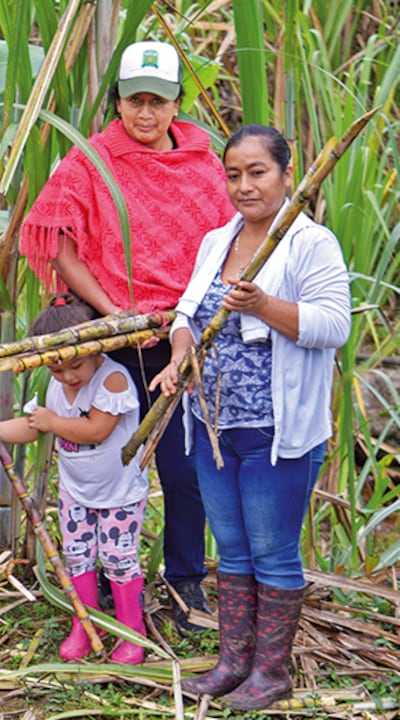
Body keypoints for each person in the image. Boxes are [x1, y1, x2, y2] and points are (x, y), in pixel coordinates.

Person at [19, 40, 234, 631]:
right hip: (111, 337)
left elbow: (225, 247)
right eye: (134, 101)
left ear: (176, 104)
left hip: (186, 334)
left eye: (158, 102)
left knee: (184, 466)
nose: (145, 114)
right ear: (117, 101)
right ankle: (112, 591)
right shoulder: (88, 160)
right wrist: (114, 311)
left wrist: (189, 318)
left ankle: (185, 583)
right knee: (108, 458)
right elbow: (58, 245)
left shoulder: (205, 165)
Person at [151, 125, 349, 710]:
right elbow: (186, 312)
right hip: (214, 428)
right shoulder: (219, 239)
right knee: (232, 550)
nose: (244, 185)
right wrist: (181, 356)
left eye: (257, 172)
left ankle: (272, 672)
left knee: (273, 551)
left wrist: (264, 304)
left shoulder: (311, 243)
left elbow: (332, 325)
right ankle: (233, 661)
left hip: (276, 432)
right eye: (233, 174)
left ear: (288, 174)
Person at [0, 295, 150, 664]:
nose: (68, 376)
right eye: (56, 370)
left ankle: (132, 632)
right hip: (76, 492)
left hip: (119, 492)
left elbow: (97, 429)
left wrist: (52, 423)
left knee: (119, 558)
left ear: (93, 351)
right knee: (77, 558)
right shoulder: (56, 386)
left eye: (76, 366)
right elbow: (34, 426)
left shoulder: (113, 379)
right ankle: (87, 625)